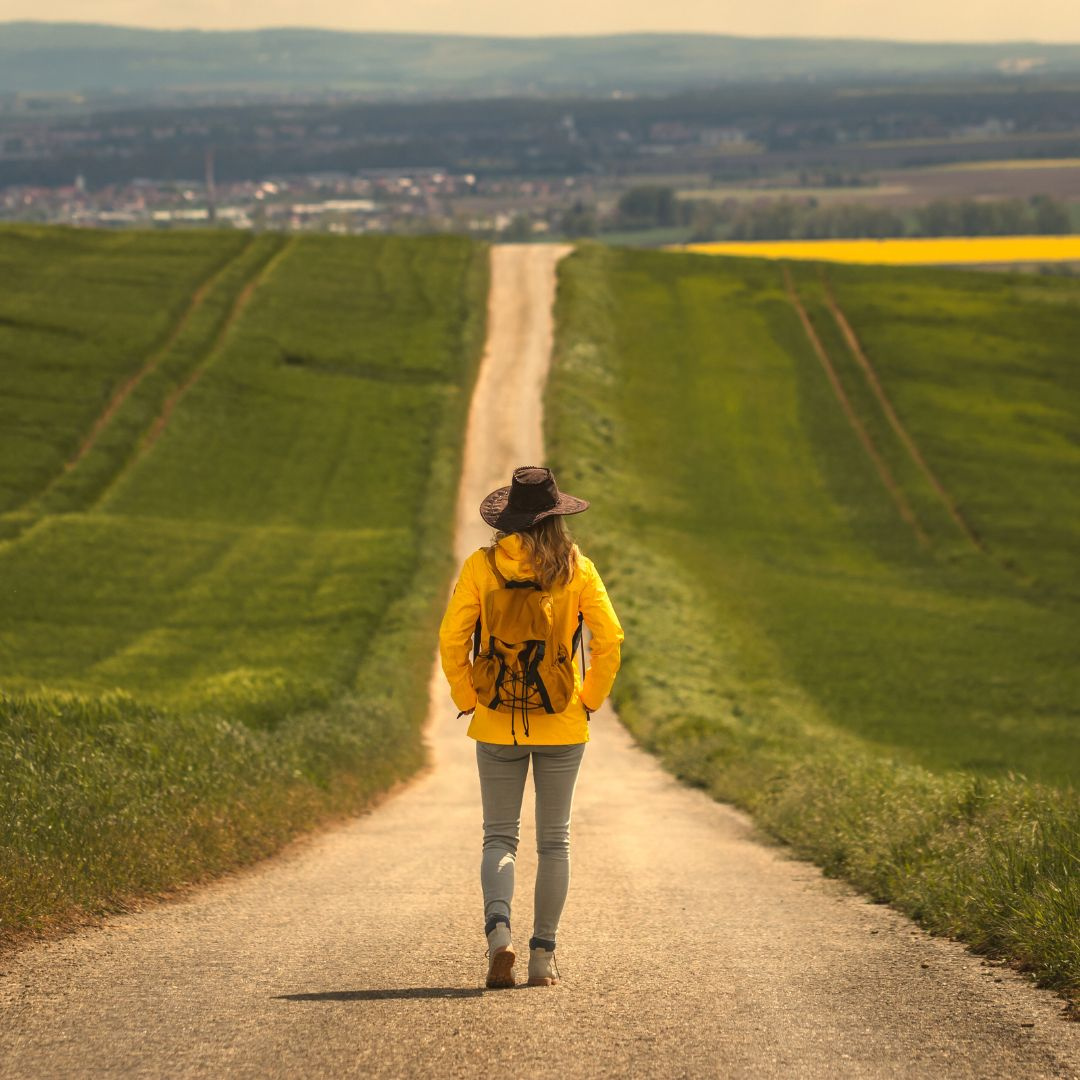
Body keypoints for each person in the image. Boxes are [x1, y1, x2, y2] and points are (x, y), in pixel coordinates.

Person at [439, 465, 624, 989]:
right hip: (562, 720)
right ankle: (543, 955)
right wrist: (589, 700)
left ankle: (500, 936)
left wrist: (467, 697)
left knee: (499, 836)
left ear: (508, 519)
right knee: (555, 841)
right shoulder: (576, 568)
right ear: (557, 517)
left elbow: (453, 640)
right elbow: (610, 639)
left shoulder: (481, 566)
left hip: (496, 720)